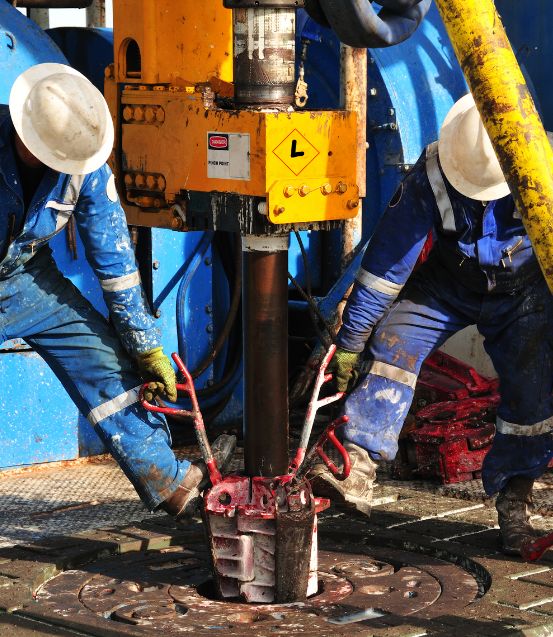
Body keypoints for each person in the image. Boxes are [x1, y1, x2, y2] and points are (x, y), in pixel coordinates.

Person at [311, 92, 553, 555]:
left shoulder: (544, 169)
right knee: (394, 341)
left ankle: (515, 502)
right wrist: (352, 340)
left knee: (531, 393)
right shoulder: (432, 173)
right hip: (449, 284)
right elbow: (385, 268)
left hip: (524, 292)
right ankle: (355, 464)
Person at [1, 62, 234, 518]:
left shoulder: (83, 163)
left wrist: (144, 345)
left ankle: (170, 482)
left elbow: (117, 265)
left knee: (102, 362)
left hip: (23, 278)